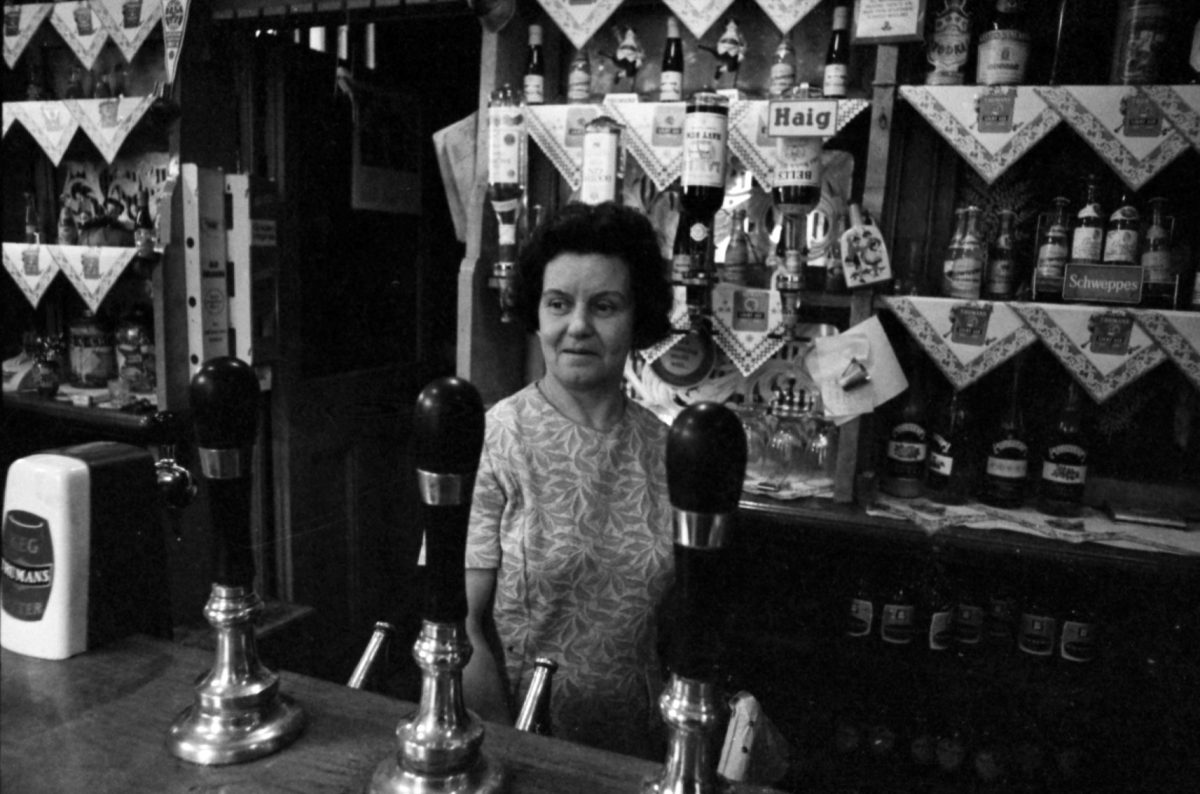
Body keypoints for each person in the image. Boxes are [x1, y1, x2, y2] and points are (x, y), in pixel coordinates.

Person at [463, 201, 675, 759]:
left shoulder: (666, 449)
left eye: (604, 306)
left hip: (639, 748)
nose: (577, 326)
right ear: (537, 312)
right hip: (524, 744)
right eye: (559, 304)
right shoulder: (496, 439)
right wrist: (507, 750)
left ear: (637, 317)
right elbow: (460, 624)